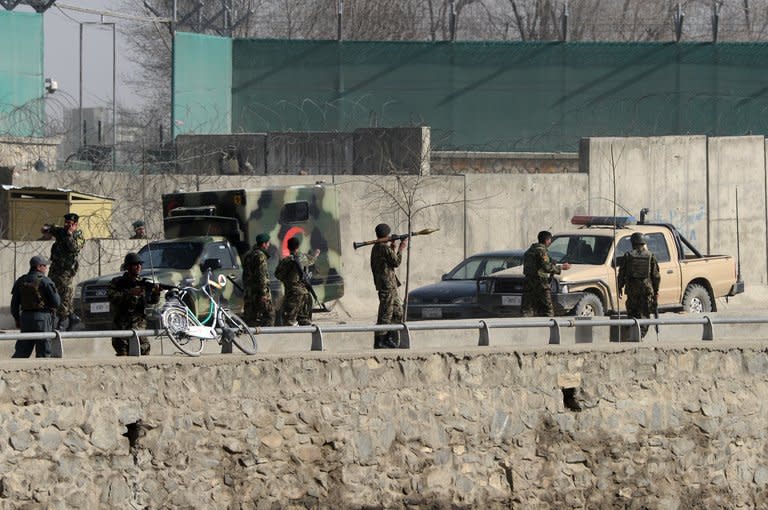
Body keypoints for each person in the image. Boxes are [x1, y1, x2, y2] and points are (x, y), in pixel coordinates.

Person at [107, 252, 160, 356]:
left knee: (144, 351)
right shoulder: (118, 282)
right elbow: (112, 297)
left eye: (140, 264)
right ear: (128, 267)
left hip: (139, 325)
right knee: (123, 353)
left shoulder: (143, 283)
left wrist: (156, 293)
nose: (139, 267)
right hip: (121, 325)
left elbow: (151, 301)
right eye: (135, 264)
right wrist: (130, 293)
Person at [9, 256, 61, 358]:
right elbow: (56, 302)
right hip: (43, 319)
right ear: (38, 267)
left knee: (22, 352)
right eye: (44, 266)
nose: (46, 268)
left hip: (25, 319)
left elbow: (14, 304)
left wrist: (17, 319)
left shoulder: (21, 281)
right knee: (43, 352)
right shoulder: (46, 281)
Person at [44, 213, 85, 330]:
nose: (67, 225)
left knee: (64, 294)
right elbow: (48, 229)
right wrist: (48, 228)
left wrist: (69, 235)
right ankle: (72, 317)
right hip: (55, 268)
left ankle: (62, 320)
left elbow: (74, 248)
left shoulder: (79, 236)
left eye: (70, 224)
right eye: (66, 223)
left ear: (75, 225)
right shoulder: (61, 231)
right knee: (52, 290)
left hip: (66, 270)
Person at [370, 223, 407, 349]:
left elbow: (388, 261)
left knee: (397, 312)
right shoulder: (381, 247)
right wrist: (401, 248)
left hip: (390, 285)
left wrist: (392, 246)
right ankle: (380, 340)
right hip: (386, 285)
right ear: (386, 234)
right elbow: (396, 262)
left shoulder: (378, 248)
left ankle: (389, 337)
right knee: (386, 313)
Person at [617, 232, 661, 338]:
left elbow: (621, 273)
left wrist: (619, 287)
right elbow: (656, 276)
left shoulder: (628, 255)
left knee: (632, 314)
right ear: (643, 242)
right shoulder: (650, 256)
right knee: (645, 315)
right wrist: (656, 291)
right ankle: (640, 336)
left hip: (632, 291)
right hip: (646, 291)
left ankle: (634, 336)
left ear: (633, 243)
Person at [521, 230, 571, 317]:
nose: (550, 242)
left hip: (528, 282)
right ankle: (549, 328)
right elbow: (546, 267)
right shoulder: (542, 251)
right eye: (550, 240)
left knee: (527, 308)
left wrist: (553, 262)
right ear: (547, 240)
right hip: (540, 284)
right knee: (548, 309)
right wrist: (562, 267)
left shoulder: (530, 250)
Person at [275, 237, 320, 326]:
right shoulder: (304, 258)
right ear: (298, 247)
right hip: (304, 293)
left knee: (289, 321)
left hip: (292, 293)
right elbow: (312, 260)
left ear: (288, 247)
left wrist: (286, 280)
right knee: (304, 320)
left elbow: (277, 275)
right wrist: (316, 254)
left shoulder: (286, 261)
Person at [242, 233, 275, 327]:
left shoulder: (249, 255)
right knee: (269, 315)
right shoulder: (261, 256)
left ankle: (253, 336)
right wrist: (264, 294)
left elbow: (245, 275)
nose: (268, 245)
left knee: (250, 318)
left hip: (250, 292)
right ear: (264, 244)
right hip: (259, 292)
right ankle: (268, 336)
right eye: (268, 243)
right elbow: (262, 276)